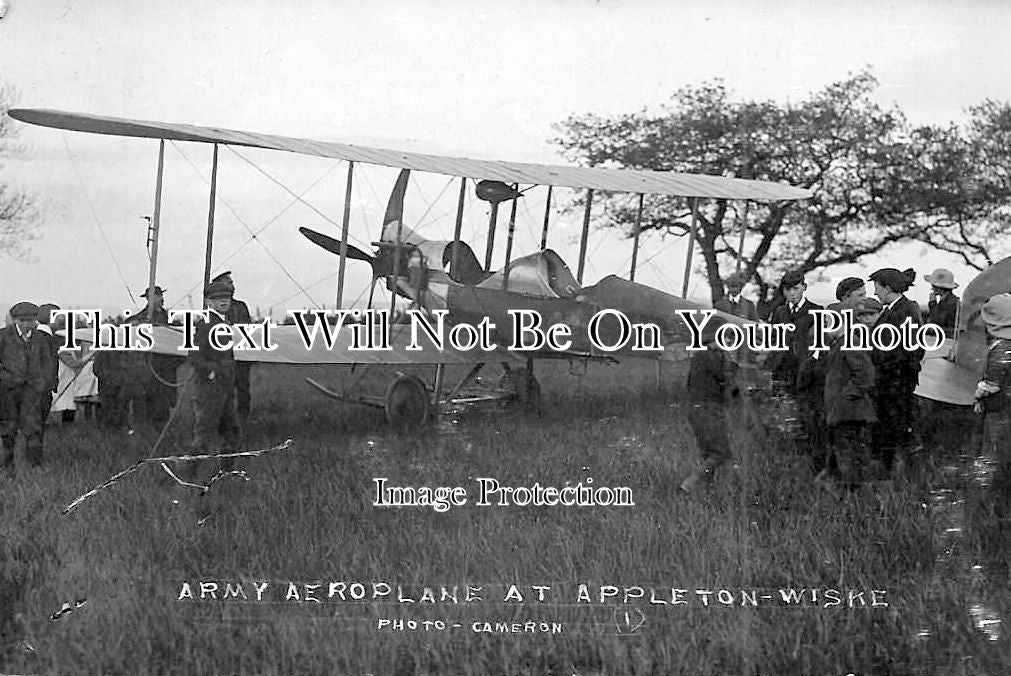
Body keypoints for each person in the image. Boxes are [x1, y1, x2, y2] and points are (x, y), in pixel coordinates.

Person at [186, 280, 243, 481]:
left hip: (226, 386)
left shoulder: (223, 323)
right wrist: (210, 372)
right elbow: (194, 356)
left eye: (226, 298)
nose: (224, 302)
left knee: (232, 431)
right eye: (218, 299)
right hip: (210, 388)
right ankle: (189, 476)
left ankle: (227, 474)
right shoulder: (206, 325)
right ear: (209, 302)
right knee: (204, 433)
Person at [868, 267, 923, 473]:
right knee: (890, 430)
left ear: (888, 288)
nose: (875, 293)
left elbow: (912, 351)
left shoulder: (905, 311)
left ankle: (902, 477)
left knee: (897, 430)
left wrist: (882, 370)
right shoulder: (895, 310)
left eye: (877, 288)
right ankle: (891, 474)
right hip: (890, 382)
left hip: (896, 383)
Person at [821, 298, 879, 484]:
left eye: (828, 322)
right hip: (842, 413)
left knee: (850, 457)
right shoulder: (839, 343)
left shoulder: (850, 342)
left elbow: (866, 375)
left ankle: (856, 496)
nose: (826, 326)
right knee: (846, 456)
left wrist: (844, 399)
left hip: (850, 413)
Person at [679, 316, 740, 492]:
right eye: (726, 337)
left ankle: (708, 489)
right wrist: (733, 362)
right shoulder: (713, 358)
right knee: (720, 453)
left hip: (696, 409)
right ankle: (690, 485)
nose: (729, 341)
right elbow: (727, 380)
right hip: (710, 410)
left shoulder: (699, 356)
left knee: (709, 453)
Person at [0, 302, 57, 470]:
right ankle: (6, 464)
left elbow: (48, 363)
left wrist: (43, 385)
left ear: (35, 320)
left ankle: (35, 465)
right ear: (15, 320)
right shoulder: (3, 336)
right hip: (8, 391)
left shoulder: (41, 339)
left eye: (30, 320)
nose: (26, 324)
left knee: (34, 427)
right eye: (22, 320)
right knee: (8, 428)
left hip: (33, 391)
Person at [767, 271, 823, 393]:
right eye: (787, 289)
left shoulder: (816, 310)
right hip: (781, 368)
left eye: (796, 288)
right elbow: (773, 339)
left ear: (804, 287)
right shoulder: (779, 311)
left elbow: (820, 344)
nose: (792, 293)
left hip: (806, 369)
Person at [129, 285, 175, 426]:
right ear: (149, 299)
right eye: (157, 296)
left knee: (163, 404)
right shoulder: (139, 318)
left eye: (161, 296)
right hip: (145, 366)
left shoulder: (169, 319)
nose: (161, 299)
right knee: (143, 401)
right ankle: (142, 430)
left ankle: (160, 428)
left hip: (165, 367)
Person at [211, 271, 253, 419]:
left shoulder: (240, 306)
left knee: (242, 387)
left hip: (241, 355)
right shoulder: (216, 307)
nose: (232, 285)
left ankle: (243, 416)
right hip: (223, 356)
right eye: (229, 282)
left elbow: (249, 328)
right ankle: (224, 418)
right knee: (224, 388)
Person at [922, 268, 960, 336]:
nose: (932, 289)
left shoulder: (951, 303)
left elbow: (937, 322)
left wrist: (933, 304)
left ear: (940, 288)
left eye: (933, 286)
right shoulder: (947, 300)